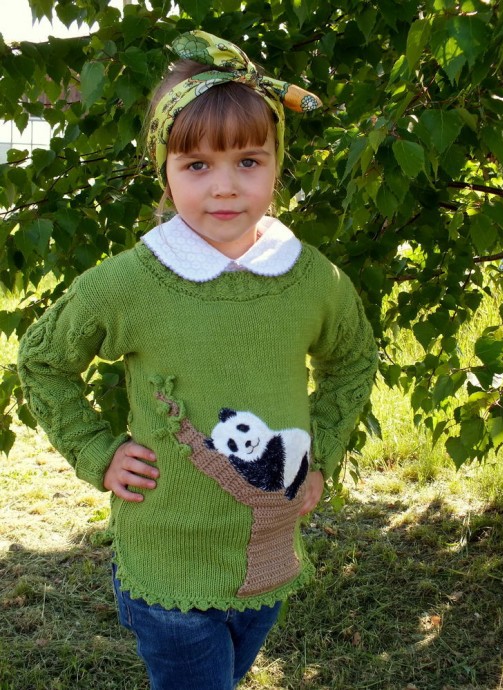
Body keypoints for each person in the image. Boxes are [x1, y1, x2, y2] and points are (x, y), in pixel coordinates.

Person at [17, 30, 378, 690]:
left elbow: (352, 359)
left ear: (277, 163)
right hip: (167, 567)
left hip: (268, 561)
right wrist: (96, 451)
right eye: (197, 166)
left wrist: (320, 454)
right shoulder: (132, 282)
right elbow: (42, 360)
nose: (225, 188)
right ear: (165, 169)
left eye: (248, 161)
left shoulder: (310, 280)